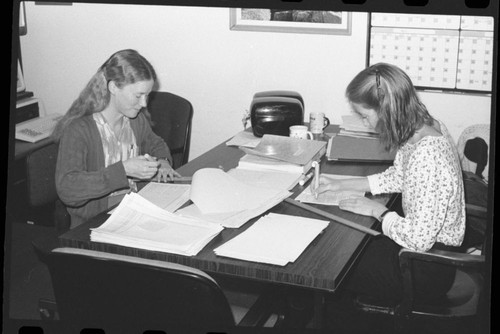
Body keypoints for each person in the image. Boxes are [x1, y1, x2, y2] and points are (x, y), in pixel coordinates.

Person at [313, 62, 466, 308]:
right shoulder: (423, 128)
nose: (364, 123)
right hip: (423, 253)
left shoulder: (428, 155)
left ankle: (320, 317)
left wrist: (377, 211)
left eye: (364, 116)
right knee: (345, 249)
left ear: (386, 110)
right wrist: (340, 182)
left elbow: (418, 240)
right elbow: (399, 177)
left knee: (334, 264)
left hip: (427, 268)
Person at [53, 49, 181, 229]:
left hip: (131, 214)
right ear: (113, 87)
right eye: (138, 95)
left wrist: (163, 162)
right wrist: (123, 170)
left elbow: (156, 143)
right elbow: (67, 189)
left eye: (147, 95)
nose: (144, 103)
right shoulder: (79, 130)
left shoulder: (136, 120)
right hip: (94, 225)